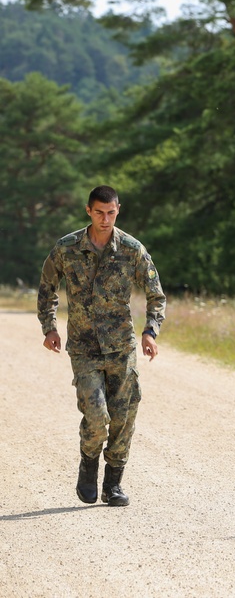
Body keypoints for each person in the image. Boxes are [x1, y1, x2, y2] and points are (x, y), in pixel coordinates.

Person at [37, 185, 166, 507]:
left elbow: (156, 295)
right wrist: (49, 327)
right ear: (88, 210)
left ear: (118, 210)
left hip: (121, 347)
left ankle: (113, 484)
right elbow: (46, 288)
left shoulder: (132, 249)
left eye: (110, 212)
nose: (105, 219)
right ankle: (88, 464)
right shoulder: (66, 248)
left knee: (124, 417)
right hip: (83, 347)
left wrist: (150, 331)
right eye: (99, 212)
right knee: (96, 415)